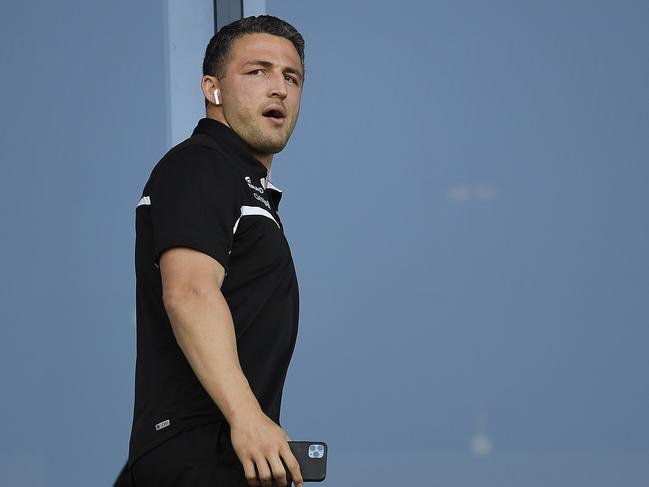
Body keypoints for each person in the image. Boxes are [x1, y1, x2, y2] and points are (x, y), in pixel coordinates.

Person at [115, 15, 306, 487]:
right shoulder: (200, 165)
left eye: (291, 76)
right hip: (201, 456)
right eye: (257, 71)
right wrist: (247, 418)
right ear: (212, 89)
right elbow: (190, 293)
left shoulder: (243, 185)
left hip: (220, 457)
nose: (278, 88)